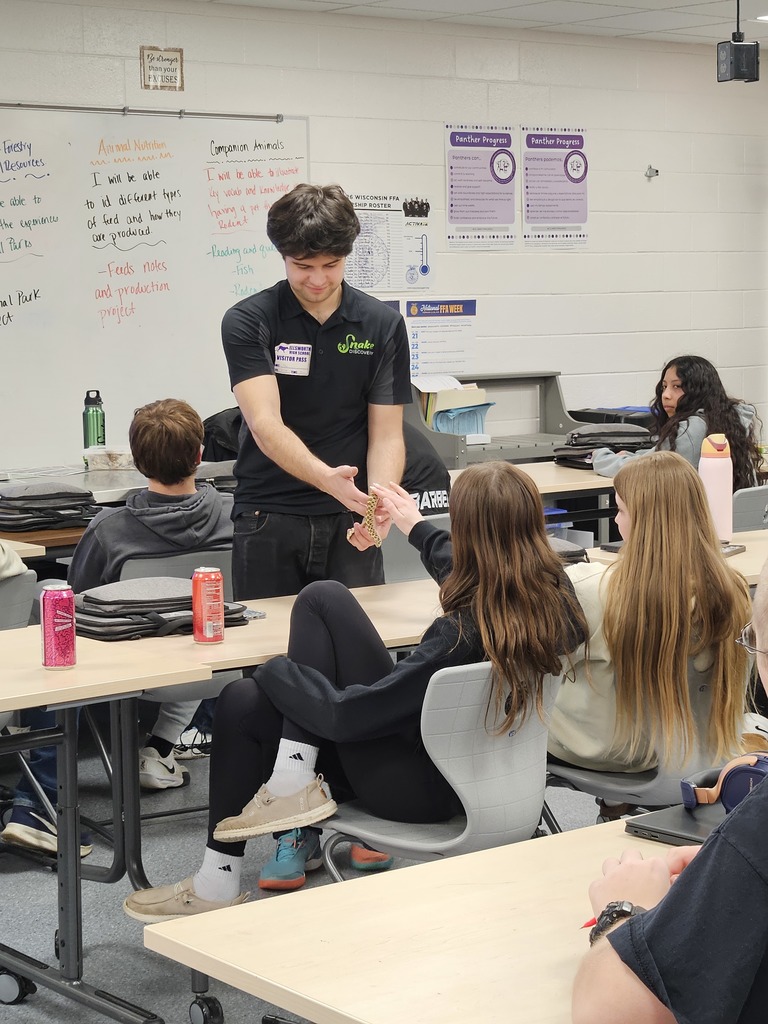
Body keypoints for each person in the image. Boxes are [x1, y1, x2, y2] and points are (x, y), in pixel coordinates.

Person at [122, 461, 588, 919]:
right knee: (249, 695)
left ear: (468, 531)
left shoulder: (457, 635)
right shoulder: (553, 602)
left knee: (278, 659)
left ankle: (232, 860)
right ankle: (267, 810)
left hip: (416, 792)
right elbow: (480, 574)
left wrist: (273, 669)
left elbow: (348, 718)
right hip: (489, 777)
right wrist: (416, 527)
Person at [1, 400, 233, 859]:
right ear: (200, 453)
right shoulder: (236, 515)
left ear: (136, 459)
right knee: (182, 622)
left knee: (54, 617)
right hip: (214, 664)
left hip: (125, 671)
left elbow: (81, 599)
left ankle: (40, 803)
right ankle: (162, 748)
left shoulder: (110, 529)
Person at [571, 553, 768, 1024]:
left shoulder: (593, 590)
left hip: (624, 757)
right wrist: (729, 873)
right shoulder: (729, 585)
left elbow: (610, 1014)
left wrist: (619, 912)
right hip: (702, 752)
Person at [221, 182, 411, 601]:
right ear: (282, 256)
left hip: (350, 517)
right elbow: (265, 424)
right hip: (268, 515)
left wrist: (378, 503)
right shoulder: (249, 321)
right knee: (271, 657)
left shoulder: (382, 325)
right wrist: (327, 480)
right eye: (303, 265)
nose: (319, 279)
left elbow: (387, 434)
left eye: (332, 264)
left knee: (359, 650)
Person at [549, 451, 754, 780]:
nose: (616, 520)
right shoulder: (734, 591)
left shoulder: (592, 589)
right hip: (703, 751)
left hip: (613, 754)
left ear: (645, 521)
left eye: (621, 509)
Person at [592, 355, 762, 491]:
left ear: (698, 391)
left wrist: (600, 456)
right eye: (664, 387)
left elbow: (637, 471)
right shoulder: (730, 420)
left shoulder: (690, 429)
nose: (666, 395)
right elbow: (658, 457)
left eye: (676, 386)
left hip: (698, 527)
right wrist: (634, 456)